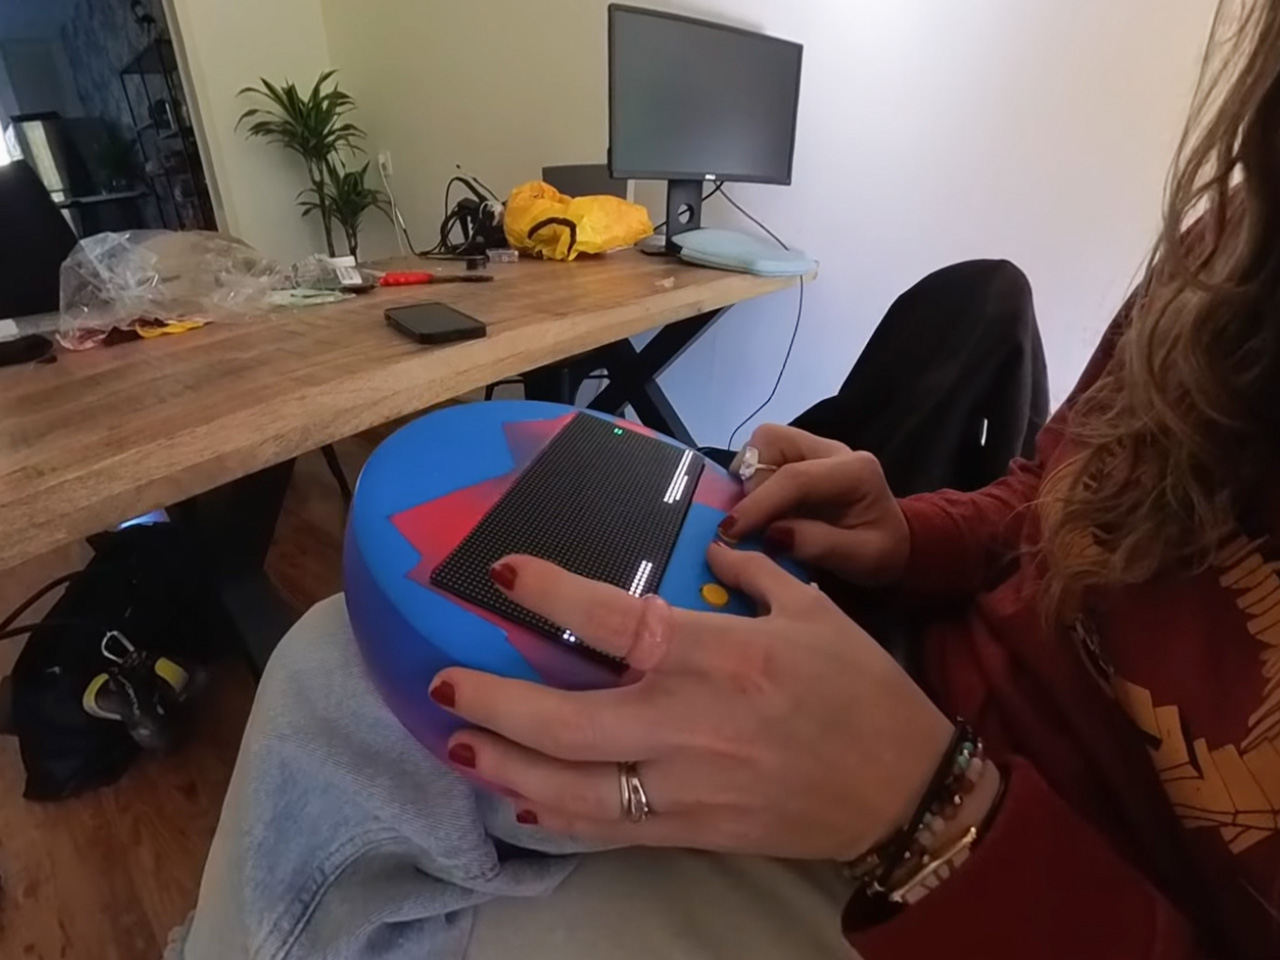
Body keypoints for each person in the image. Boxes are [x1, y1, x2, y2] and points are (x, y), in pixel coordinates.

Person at [178, 2, 1278, 957]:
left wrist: (930, 815)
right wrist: (912, 534)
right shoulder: (1229, 247)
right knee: (332, 666)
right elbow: (1050, 491)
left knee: (355, 730)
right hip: (908, 685)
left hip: (984, 882)